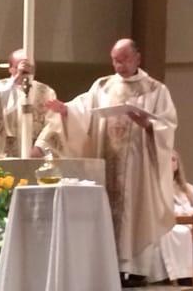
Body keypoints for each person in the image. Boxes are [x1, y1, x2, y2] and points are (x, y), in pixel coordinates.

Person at [45, 38, 177, 287]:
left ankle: (136, 269)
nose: (119, 65)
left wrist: (148, 125)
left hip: (138, 166)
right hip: (107, 162)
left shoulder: (155, 90)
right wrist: (66, 111)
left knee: (137, 213)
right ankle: (110, 268)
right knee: (108, 211)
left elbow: (168, 125)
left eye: (124, 59)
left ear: (137, 58)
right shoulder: (102, 86)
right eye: (115, 60)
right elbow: (82, 111)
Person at [0, 48, 63, 157]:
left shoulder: (46, 91)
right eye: (20, 66)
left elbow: (54, 122)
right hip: (7, 153)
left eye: (30, 66)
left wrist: (39, 147)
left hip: (36, 155)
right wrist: (16, 78)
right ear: (11, 68)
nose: (26, 70)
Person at [157, 150, 193, 284]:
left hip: (192, 219)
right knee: (182, 232)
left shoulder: (187, 188)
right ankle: (185, 276)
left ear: (178, 164)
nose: (171, 163)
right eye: (167, 159)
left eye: (174, 159)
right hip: (171, 222)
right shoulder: (158, 186)